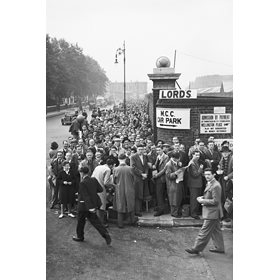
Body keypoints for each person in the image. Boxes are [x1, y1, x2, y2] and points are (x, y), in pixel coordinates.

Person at [185, 168, 225, 254]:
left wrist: (202, 201)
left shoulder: (216, 185)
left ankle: (196, 248)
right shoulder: (211, 183)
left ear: (213, 174)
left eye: (209, 174)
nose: (207, 176)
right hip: (213, 212)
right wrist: (203, 197)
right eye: (205, 174)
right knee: (216, 230)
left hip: (212, 213)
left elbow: (216, 201)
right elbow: (210, 196)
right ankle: (220, 247)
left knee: (204, 231)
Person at [72, 166, 111, 245]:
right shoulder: (93, 179)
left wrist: (90, 208)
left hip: (84, 206)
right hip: (93, 204)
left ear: (82, 173)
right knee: (96, 222)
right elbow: (100, 189)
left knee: (80, 222)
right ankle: (105, 234)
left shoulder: (82, 183)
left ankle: (80, 236)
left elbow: (86, 196)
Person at [113, 153, 135, 228]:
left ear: (118, 159)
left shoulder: (115, 169)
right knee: (130, 204)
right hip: (129, 188)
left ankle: (120, 224)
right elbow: (134, 179)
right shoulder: (130, 168)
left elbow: (114, 181)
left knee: (120, 205)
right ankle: (132, 221)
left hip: (119, 189)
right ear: (125, 159)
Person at [92, 159, 115, 227]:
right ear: (111, 165)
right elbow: (106, 183)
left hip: (93, 187)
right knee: (101, 206)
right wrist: (113, 186)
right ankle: (101, 223)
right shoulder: (108, 170)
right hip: (101, 189)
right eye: (113, 166)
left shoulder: (98, 167)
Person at [130, 144, 150, 216]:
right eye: (139, 149)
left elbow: (146, 166)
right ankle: (137, 211)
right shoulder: (133, 157)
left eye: (142, 149)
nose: (141, 151)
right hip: (137, 178)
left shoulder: (145, 156)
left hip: (144, 178)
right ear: (137, 150)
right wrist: (141, 174)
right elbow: (133, 167)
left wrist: (146, 174)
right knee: (137, 194)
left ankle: (141, 208)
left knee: (143, 193)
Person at [165, 152, 185, 217]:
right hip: (172, 184)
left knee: (178, 198)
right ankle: (174, 213)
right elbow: (168, 175)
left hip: (178, 182)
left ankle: (177, 212)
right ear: (174, 158)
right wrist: (176, 173)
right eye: (178, 158)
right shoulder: (168, 164)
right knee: (173, 199)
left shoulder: (177, 163)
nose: (179, 159)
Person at [152, 146, 169, 216]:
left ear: (162, 150)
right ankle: (160, 207)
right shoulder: (158, 156)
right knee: (158, 194)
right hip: (157, 177)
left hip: (161, 178)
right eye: (157, 150)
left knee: (160, 194)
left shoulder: (166, 157)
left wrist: (157, 175)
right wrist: (154, 166)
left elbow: (165, 169)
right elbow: (157, 165)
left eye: (159, 150)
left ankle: (161, 210)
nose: (158, 151)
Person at [187, 150, 204, 219]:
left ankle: (195, 211)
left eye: (198, 155)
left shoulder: (195, 162)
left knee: (197, 198)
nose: (198, 157)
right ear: (192, 155)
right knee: (194, 199)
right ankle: (193, 213)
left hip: (197, 184)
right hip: (194, 184)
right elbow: (195, 174)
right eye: (196, 155)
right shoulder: (191, 163)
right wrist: (200, 169)